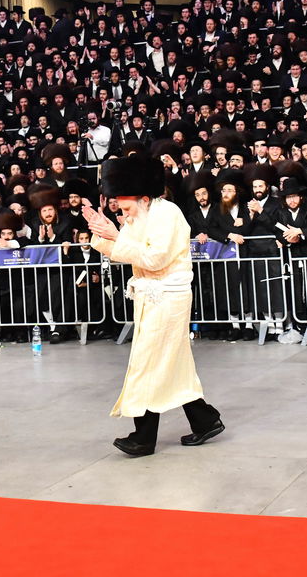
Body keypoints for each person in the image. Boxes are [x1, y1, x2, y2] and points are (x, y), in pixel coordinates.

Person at [84, 154, 224, 457]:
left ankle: (144, 437)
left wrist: (116, 235)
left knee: (148, 363)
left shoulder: (168, 214)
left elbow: (154, 258)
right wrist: (102, 233)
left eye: (126, 207)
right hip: (151, 297)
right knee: (173, 363)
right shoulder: (140, 217)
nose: (123, 213)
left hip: (168, 298)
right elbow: (126, 252)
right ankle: (206, 420)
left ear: (144, 198)